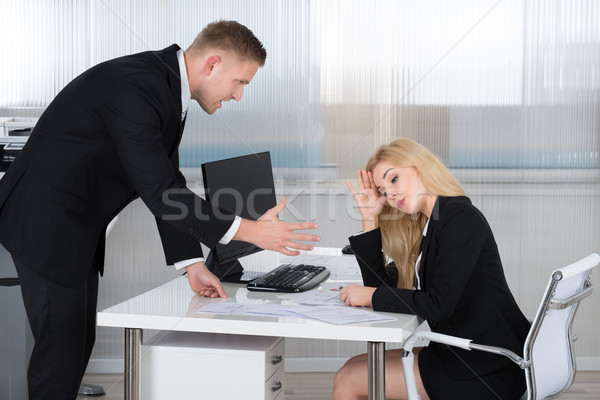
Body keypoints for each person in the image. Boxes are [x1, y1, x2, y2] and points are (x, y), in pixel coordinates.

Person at [0, 20, 319, 400]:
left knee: (75, 347)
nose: (239, 96)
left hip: (74, 227)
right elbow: (161, 191)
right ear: (212, 64)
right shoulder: (138, 87)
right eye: (240, 82)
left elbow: (166, 183)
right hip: (47, 225)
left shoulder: (165, 87)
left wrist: (192, 264)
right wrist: (250, 230)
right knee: (59, 360)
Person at [334, 138, 530, 400]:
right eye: (382, 191)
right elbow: (377, 286)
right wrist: (370, 217)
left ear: (420, 167)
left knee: (350, 379)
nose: (389, 195)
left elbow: (439, 304)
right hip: (462, 354)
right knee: (351, 368)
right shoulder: (431, 222)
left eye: (394, 179)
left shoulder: (459, 218)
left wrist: (370, 296)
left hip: (488, 368)